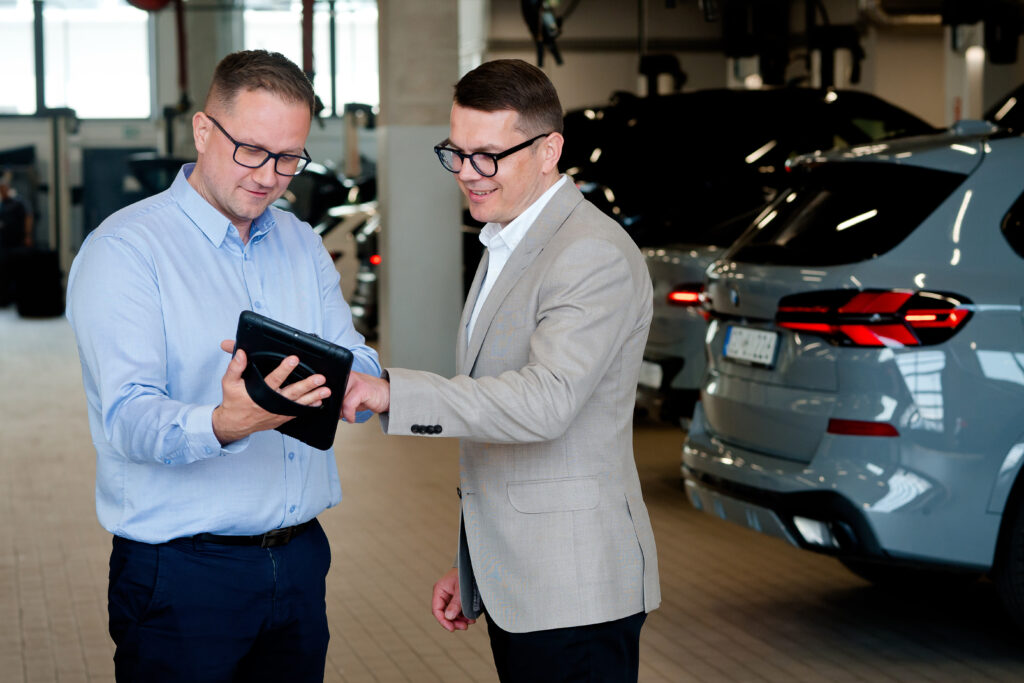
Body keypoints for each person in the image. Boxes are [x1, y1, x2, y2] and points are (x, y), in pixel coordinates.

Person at [66, 50, 380, 682]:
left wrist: (355, 383)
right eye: (252, 151)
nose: (269, 176)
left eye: (288, 158)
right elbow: (127, 417)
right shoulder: (126, 251)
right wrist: (225, 423)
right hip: (183, 576)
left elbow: (355, 353)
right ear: (204, 131)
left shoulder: (300, 241)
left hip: (299, 562)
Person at [342, 59, 660, 682]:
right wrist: (476, 567)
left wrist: (392, 393)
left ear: (549, 151)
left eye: (487, 156)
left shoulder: (588, 253)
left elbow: (545, 403)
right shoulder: (507, 240)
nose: (467, 172)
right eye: (456, 153)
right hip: (524, 579)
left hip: (575, 592)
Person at [0, 168, 34, 305]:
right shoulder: (2, 204)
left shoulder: (18, 202)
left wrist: (27, 235)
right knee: (5, 270)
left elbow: (28, 217)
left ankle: (20, 297)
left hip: (18, 241)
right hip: (5, 242)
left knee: (19, 269)